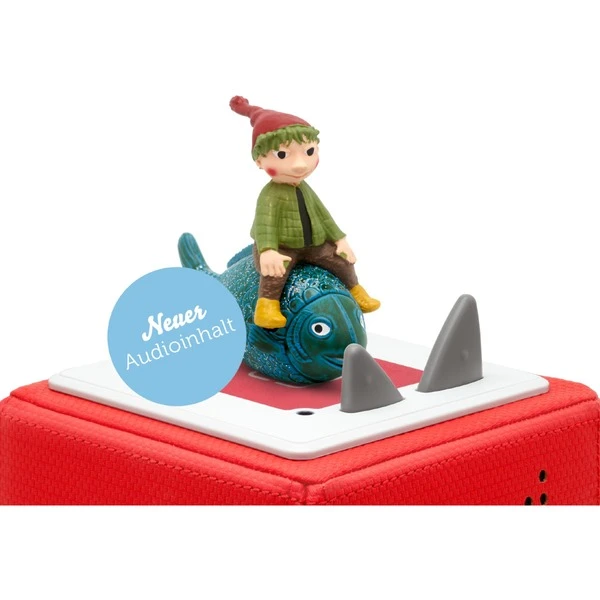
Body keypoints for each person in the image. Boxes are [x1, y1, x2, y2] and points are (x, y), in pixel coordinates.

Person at [230, 96, 380, 329]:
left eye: (309, 152)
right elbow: (264, 225)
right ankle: (267, 306)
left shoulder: (305, 188)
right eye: (283, 155)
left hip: (313, 245)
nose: (300, 164)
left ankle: (356, 290)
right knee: (275, 273)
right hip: (281, 248)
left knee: (341, 260)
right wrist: (268, 250)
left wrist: (339, 239)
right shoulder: (269, 195)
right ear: (259, 160)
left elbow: (323, 215)